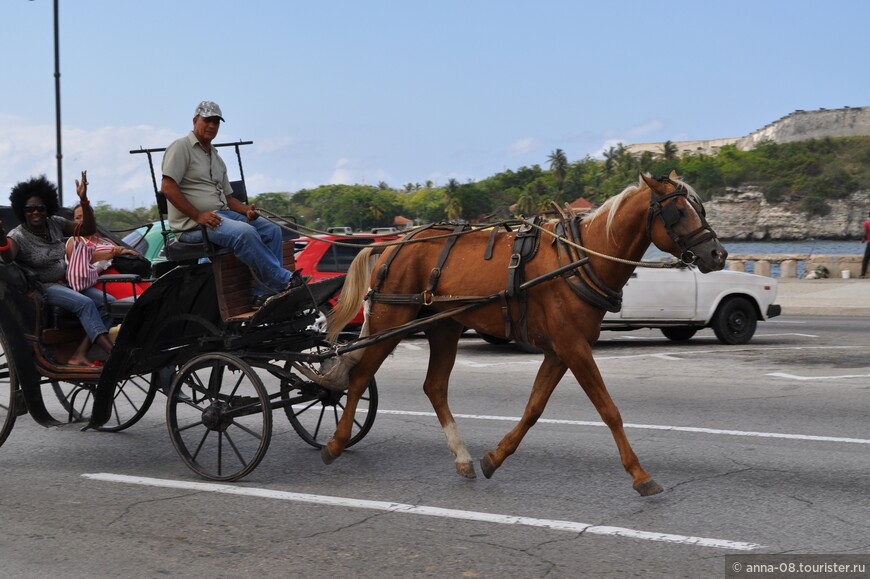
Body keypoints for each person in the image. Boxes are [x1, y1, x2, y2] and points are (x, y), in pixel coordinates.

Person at [161, 100, 301, 308]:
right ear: (195, 120)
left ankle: (263, 294)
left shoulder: (216, 157)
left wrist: (246, 210)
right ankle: (283, 280)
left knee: (272, 230)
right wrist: (198, 216)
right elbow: (168, 187)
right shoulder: (181, 147)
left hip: (222, 215)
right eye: (207, 120)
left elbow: (228, 199)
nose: (211, 126)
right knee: (245, 233)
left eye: (216, 122)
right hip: (194, 226)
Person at [0, 172, 114, 367]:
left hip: (68, 283)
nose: (35, 212)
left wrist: (84, 200)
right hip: (44, 288)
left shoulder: (55, 223)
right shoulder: (17, 235)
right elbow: (8, 256)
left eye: (40, 208)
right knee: (85, 304)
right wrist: (1, 240)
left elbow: (87, 229)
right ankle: (112, 353)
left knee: (108, 302)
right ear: (22, 210)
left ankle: (80, 353)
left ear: (47, 209)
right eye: (30, 209)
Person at [861, 210, 870, 278]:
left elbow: (865, 233)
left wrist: (863, 240)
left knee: (866, 259)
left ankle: (863, 274)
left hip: (869, 243)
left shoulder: (866, 223)